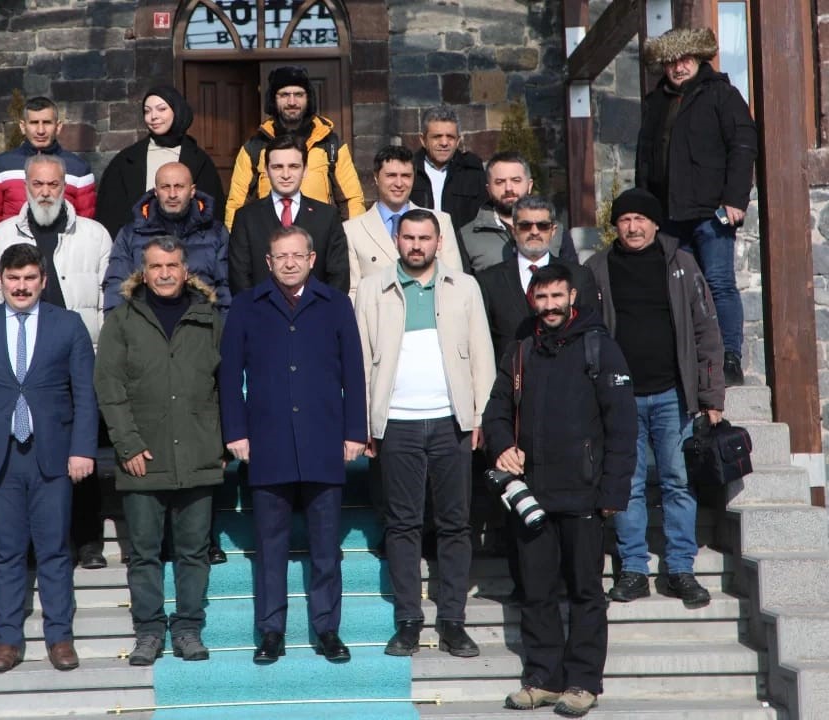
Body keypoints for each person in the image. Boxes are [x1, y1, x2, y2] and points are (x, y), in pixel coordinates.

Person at [482, 263, 637, 717]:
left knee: (586, 591)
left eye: (557, 297)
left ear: (572, 297)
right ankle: (543, 679)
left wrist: (614, 492)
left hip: (585, 494)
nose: (549, 306)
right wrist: (502, 446)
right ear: (532, 299)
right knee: (536, 591)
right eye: (542, 297)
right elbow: (495, 411)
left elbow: (622, 426)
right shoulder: (520, 350)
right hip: (532, 496)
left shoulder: (600, 347)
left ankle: (583, 682)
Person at [219, 225, 367, 665]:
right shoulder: (246, 305)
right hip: (268, 441)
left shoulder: (335, 304)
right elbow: (229, 376)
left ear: (311, 258)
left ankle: (327, 629)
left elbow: (354, 371)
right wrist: (235, 432)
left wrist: (355, 431)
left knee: (326, 547)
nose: (289, 263)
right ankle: (271, 631)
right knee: (270, 547)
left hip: (324, 438)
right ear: (268, 262)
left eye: (297, 255)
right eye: (280, 256)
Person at [0, 243, 98, 674]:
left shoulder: (68, 325)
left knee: (54, 550)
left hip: (52, 455)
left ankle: (60, 637)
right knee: (8, 552)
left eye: (30, 278)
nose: (21, 286)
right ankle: (8, 639)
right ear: (1, 281)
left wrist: (82, 449)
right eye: (13, 278)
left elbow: (85, 394)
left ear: (43, 281)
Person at [354, 209, 494, 659]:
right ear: (396, 240)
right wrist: (366, 422)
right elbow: (360, 359)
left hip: (452, 422)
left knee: (455, 524)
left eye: (425, 238)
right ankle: (409, 621)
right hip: (396, 423)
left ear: (438, 242)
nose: (416, 245)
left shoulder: (464, 287)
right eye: (409, 237)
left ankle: (453, 621)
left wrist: (479, 417)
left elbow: (482, 355)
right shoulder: (372, 289)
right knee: (402, 525)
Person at [584, 188, 725, 610]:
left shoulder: (681, 264)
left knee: (677, 481)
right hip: (620, 398)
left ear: (655, 224)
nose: (633, 227)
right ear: (615, 225)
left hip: (672, 395)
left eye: (640, 219)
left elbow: (706, 330)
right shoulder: (597, 269)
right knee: (627, 484)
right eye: (625, 219)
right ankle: (633, 568)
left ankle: (680, 568)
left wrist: (711, 395)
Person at [95, 236, 224, 666]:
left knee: (193, 553)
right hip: (141, 458)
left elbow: (226, 385)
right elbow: (108, 386)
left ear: (185, 270)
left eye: (172, 265)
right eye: (156, 266)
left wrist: (221, 440)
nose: (165, 273)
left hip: (198, 454)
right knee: (144, 554)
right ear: (143, 272)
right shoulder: (122, 320)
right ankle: (149, 632)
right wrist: (127, 444)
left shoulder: (209, 319)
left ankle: (188, 629)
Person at [0, 152, 111, 569]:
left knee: (81, 448)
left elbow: (105, 303)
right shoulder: (2, 235)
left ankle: (88, 540)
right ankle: (27, 544)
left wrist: (101, 358)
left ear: (66, 187)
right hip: (22, 360)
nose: (45, 192)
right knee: (26, 455)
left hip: (77, 356)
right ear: (25, 186)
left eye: (53, 184)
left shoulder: (94, 235)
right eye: (37, 184)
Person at [637, 27, 757, 387]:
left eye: (684, 59)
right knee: (680, 289)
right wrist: (645, 211)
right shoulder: (655, 103)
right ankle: (690, 361)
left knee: (719, 283)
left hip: (711, 212)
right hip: (669, 216)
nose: (678, 67)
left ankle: (730, 359)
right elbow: (645, 161)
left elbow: (743, 144)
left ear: (699, 58)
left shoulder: (721, 93)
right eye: (671, 61)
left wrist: (735, 198)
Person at [224, 65, 365, 229]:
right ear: (273, 99)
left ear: (308, 98)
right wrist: (237, 241)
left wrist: (349, 240)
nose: (292, 102)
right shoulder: (254, 148)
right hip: (269, 239)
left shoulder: (331, 145)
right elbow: (237, 205)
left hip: (319, 238)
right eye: (284, 95)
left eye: (299, 94)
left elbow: (352, 200)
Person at [476, 196, 599, 364]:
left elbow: (593, 334)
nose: (534, 232)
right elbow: (482, 344)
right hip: (511, 376)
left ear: (553, 231)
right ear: (514, 230)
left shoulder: (580, 276)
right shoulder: (488, 281)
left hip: (567, 374)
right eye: (526, 225)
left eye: (542, 225)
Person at [95, 86, 226, 238]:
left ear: (177, 111)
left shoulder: (200, 161)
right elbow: (109, 216)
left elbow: (212, 216)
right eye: (147, 111)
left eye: (161, 109)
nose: (153, 116)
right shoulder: (125, 161)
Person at [102, 162, 230, 316]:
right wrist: (115, 326)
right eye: (165, 187)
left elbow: (225, 287)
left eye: (179, 186)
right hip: (145, 323)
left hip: (201, 322)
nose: (172, 194)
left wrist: (224, 328)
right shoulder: (131, 233)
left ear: (192, 191)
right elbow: (116, 286)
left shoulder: (215, 233)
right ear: (156, 192)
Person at [229, 134, 349, 295]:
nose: (286, 174)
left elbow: (339, 276)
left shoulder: (327, 216)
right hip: (260, 309)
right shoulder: (245, 217)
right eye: (277, 167)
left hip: (317, 309)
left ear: (305, 170)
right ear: (266, 170)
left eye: (293, 166)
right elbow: (239, 278)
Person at [345, 145, 463, 301]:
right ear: (376, 177)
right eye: (391, 175)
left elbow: (455, 281)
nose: (399, 183)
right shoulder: (352, 230)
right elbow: (353, 291)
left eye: (406, 176)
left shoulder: (441, 221)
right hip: (379, 313)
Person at [0, 96, 96, 233]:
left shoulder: (78, 169)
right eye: (34, 123)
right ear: (23, 126)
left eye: (47, 123)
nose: (41, 130)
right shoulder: (1, 166)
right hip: (14, 244)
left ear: (58, 126)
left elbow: (86, 224)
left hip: (63, 244)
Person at [459, 152, 577, 274]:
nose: (508, 188)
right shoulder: (468, 236)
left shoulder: (556, 232)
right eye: (500, 182)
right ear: (488, 189)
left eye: (516, 180)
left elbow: (574, 277)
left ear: (529, 185)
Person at [409, 105, 488, 264]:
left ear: (458, 140)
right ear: (423, 140)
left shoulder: (473, 172)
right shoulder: (409, 172)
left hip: (463, 256)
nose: (444, 142)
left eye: (450, 137)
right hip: (416, 254)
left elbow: (484, 218)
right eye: (437, 137)